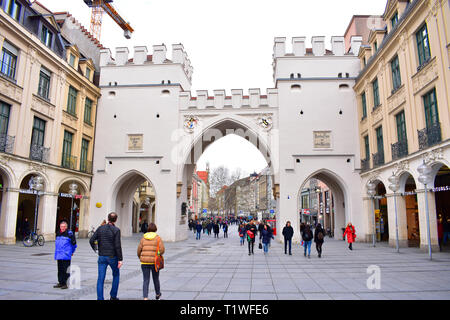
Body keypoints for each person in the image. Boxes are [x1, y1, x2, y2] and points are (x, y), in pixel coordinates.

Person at [89, 212, 123, 300]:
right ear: (115, 220)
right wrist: (120, 259)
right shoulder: (116, 230)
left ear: (108, 219)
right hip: (112, 256)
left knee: (100, 278)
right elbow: (117, 245)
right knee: (116, 275)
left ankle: (100, 298)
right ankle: (113, 296)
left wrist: (96, 249)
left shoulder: (100, 228)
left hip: (102, 256)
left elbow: (91, 240)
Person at [137, 223, 165, 300]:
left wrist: (141, 257)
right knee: (156, 278)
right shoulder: (158, 238)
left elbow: (139, 250)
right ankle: (158, 294)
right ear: (155, 229)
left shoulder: (143, 238)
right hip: (154, 262)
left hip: (144, 262)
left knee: (146, 279)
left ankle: (145, 297)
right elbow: (162, 250)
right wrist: (158, 254)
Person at [53, 219, 77, 289]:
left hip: (66, 254)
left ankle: (66, 283)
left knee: (66, 270)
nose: (62, 228)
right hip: (59, 254)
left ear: (66, 227)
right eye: (61, 226)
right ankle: (61, 282)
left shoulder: (69, 234)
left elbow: (74, 244)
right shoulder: (58, 233)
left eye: (64, 226)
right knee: (60, 269)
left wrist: (72, 252)